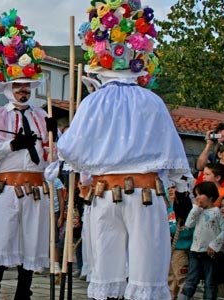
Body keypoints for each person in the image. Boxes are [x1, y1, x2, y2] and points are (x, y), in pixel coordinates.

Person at [56, 2, 192, 299]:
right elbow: (175, 155)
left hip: (105, 195)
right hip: (146, 197)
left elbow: (68, 152)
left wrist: (85, 175)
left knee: (107, 272)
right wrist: (182, 189)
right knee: (146, 272)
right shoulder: (151, 101)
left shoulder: (93, 102)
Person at [0, 10, 55, 299]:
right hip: (8, 188)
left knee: (32, 244)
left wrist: (53, 144)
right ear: (9, 88)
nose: (23, 90)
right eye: (18, 86)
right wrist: (10, 146)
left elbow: (53, 156)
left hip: (36, 190)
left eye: (27, 86)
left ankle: (24, 294)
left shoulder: (42, 116)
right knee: (2, 242)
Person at [179, 181, 224, 300]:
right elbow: (189, 224)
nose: (198, 198)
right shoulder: (197, 211)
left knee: (210, 282)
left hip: (211, 253)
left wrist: (214, 245)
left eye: (201, 194)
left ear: (210, 196)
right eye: (196, 195)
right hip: (196, 250)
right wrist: (195, 208)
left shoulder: (218, 212)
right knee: (191, 279)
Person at [167, 180, 194, 300]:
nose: (171, 190)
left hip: (180, 249)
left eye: (174, 187)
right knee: (170, 278)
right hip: (167, 249)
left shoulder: (187, 207)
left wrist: (177, 231)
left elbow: (190, 229)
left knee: (181, 276)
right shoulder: (165, 207)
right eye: (169, 188)